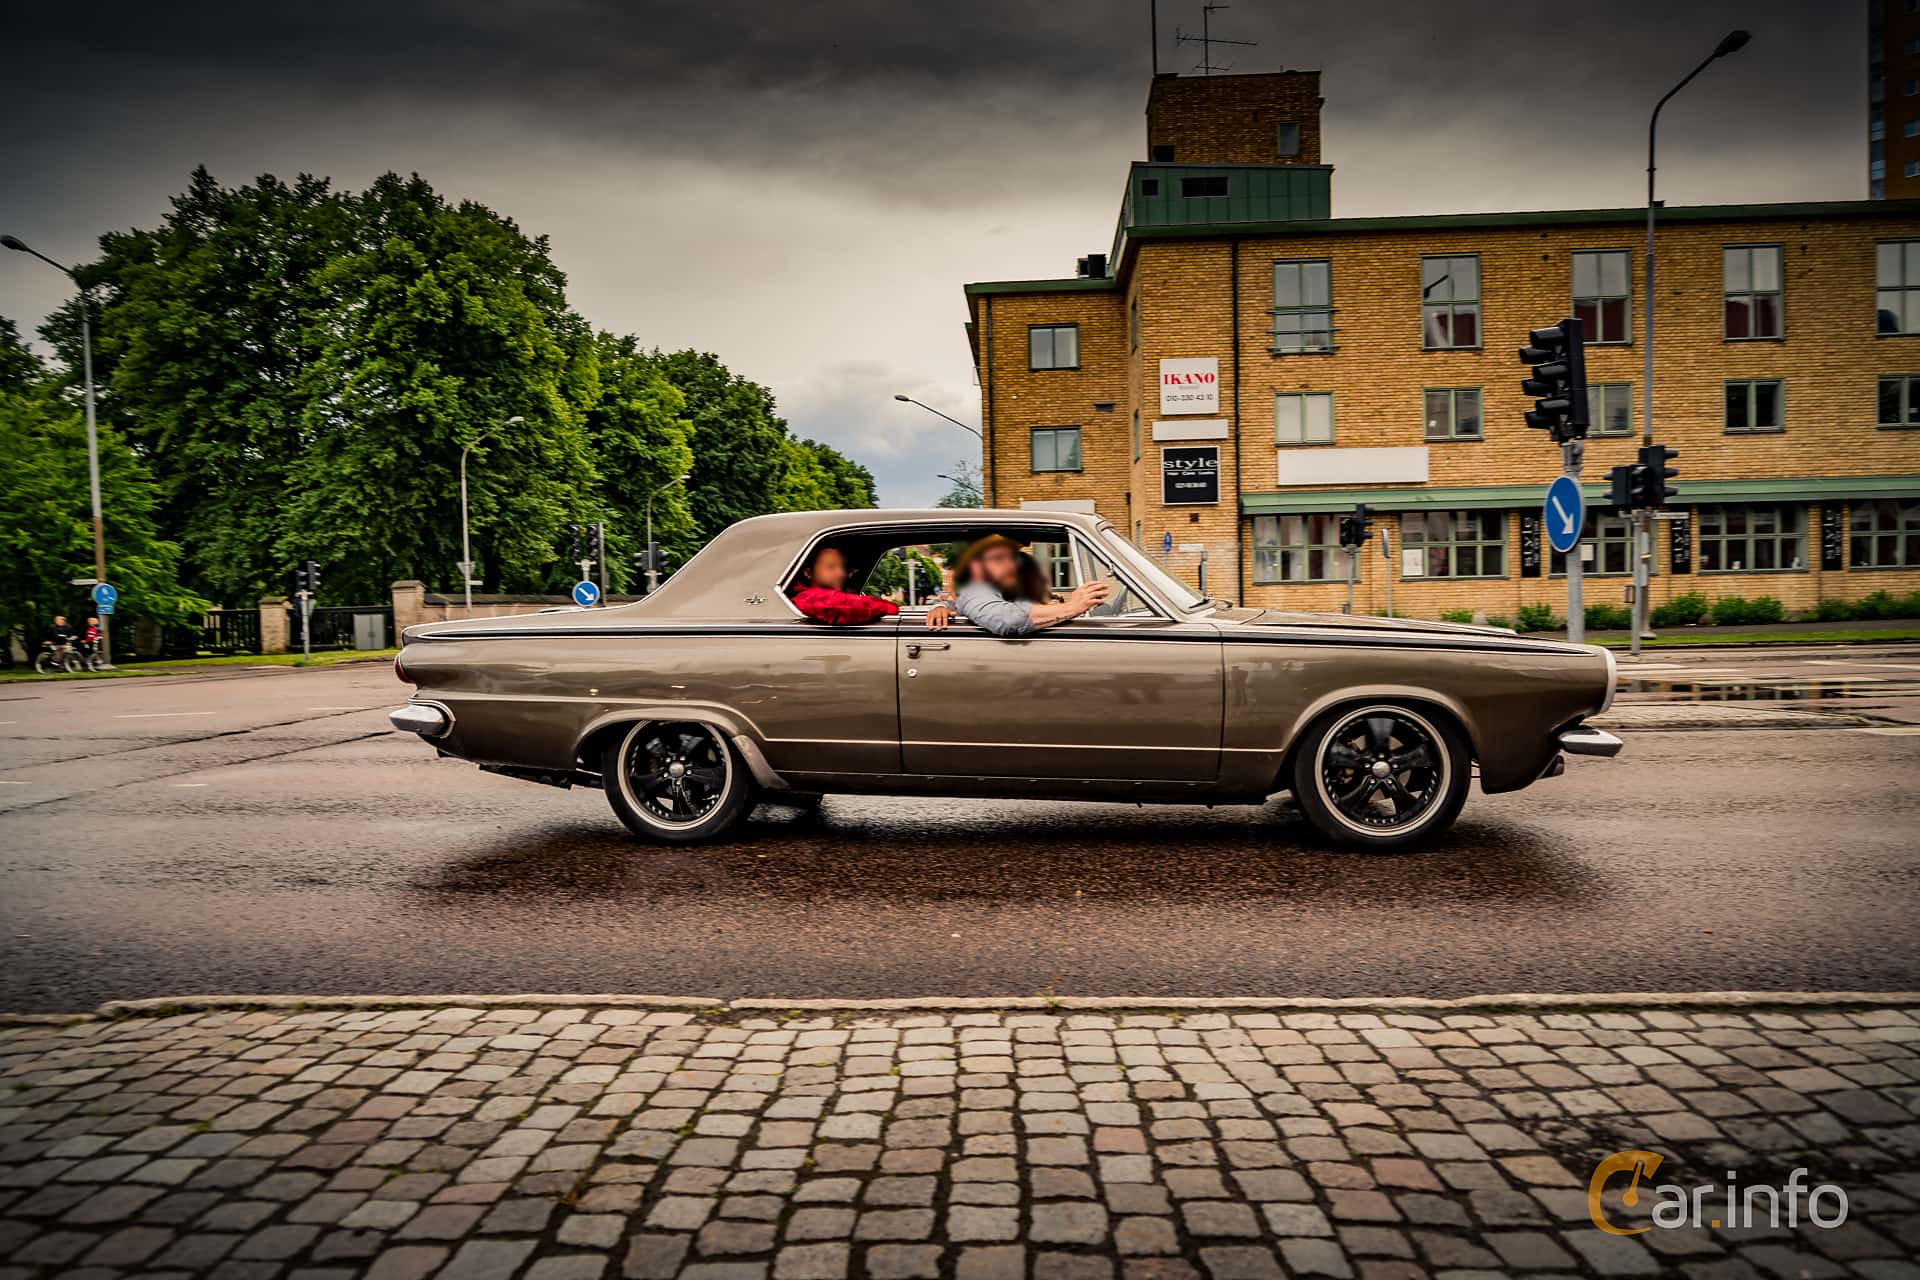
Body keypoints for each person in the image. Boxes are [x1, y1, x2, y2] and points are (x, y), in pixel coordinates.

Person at [951, 535, 1107, 637]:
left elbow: (1026, 607)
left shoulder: (1013, 590)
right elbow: (1009, 621)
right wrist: (1071, 607)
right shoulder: (974, 589)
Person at [789, 545, 956, 628]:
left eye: (842, 567)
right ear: (808, 572)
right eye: (831, 567)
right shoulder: (807, 597)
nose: (841, 574)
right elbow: (841, 605)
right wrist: (890, 608)